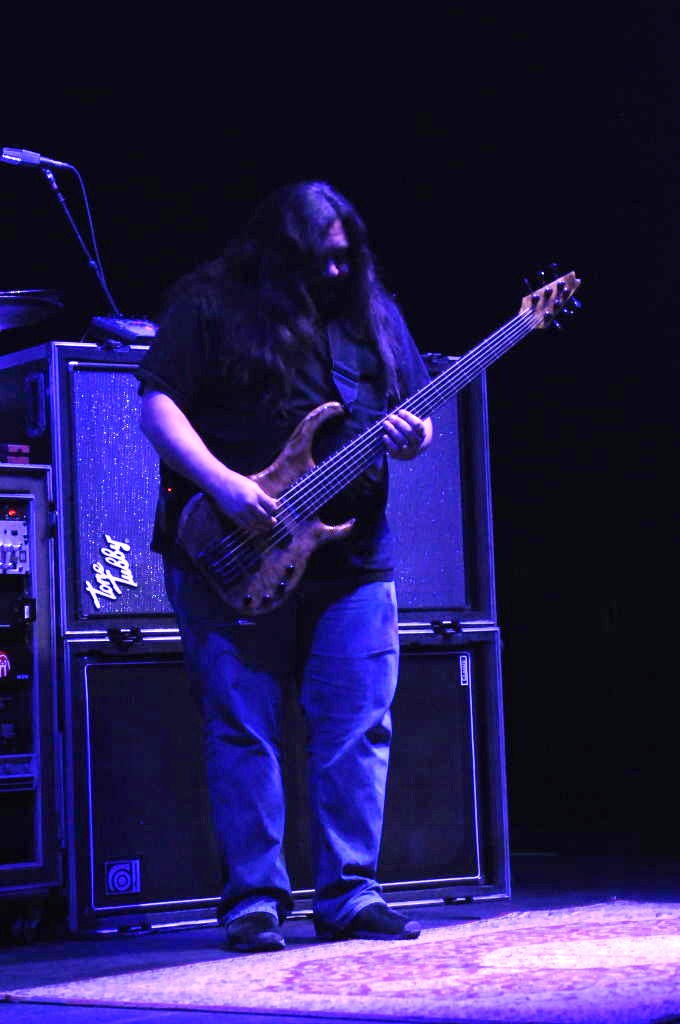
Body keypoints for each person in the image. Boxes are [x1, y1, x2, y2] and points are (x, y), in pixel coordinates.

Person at [136, 181, 433, 953]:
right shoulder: (211, 303)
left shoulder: (373, 314)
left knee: (357, 728)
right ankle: (254, 901)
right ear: (277, 252)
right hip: (231, 550)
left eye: (345, 257)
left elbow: (413, 410)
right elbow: (157, 405)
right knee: (243, 729)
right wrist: (226, 486)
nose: (335, 272)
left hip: (353, 557)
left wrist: (417, 437)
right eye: (319, 258)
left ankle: (351, 894)